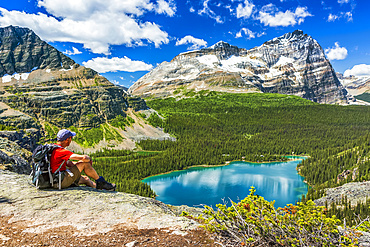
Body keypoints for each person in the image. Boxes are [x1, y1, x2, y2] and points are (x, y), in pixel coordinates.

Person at [50, 129, 116, 191]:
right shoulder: (60, 151)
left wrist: (79, 163)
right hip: (60, 181)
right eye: (71, 138)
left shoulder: (53, 147)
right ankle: (101, 182)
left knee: (86, 179)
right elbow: (84, 158)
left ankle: (101, 189)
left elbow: (69, 163)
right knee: (85, 163)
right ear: (67, 139)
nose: (71, 141)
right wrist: (88, 159)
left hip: (55, 180)